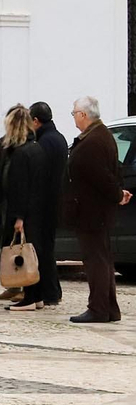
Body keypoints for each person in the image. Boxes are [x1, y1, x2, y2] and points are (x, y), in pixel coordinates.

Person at [63, 96, 133, 323]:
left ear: (83, 115)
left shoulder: (94, 140)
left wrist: (117, 194)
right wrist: (118, 193)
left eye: (74, 113)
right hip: (95, 211)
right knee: (101, 259)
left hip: (92, 212)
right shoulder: (99, 135)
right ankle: (109, 308)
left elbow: (102, 177)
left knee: (96, 261)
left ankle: (99, 308)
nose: (73, 117)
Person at [0, 104, 49, 312]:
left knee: (24, 253)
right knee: (33, 252)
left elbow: (21, 188)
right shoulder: (36, 148)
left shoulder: (22, 153)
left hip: (24, 211)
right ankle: (37, 296)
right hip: (37, 210)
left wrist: (19, 217)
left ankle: (30, 297)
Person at [29, 101, 67, 306]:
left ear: (36, 121)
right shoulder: (58, 138)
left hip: (44, 203)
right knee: (47, 248)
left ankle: (49, 292)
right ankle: (52, 291)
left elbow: (40, 175)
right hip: (54, 200)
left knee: (42, 249)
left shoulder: (44, 142)